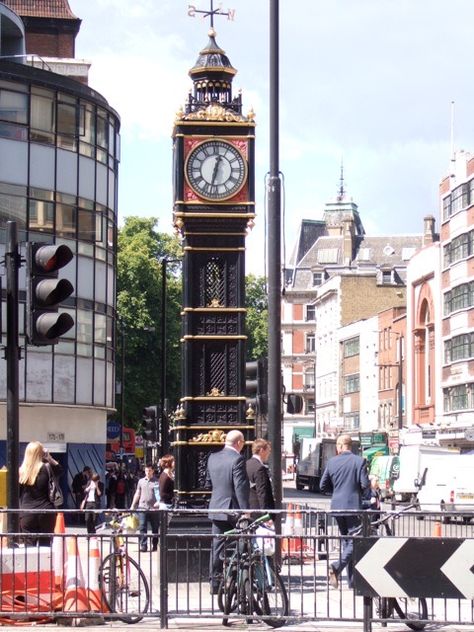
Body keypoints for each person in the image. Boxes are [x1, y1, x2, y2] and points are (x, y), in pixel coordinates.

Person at [320, 433, 370, 590]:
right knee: (355, 541)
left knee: (347, 542)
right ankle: (337, 566)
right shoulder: (359, 461)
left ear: (340, 446)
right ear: (351, 446)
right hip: (353, 507)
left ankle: (352, 581)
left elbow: (323, 485)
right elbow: (364, 484)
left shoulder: (332, 462)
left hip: (337, 507)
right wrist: (362, 495)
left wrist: (336, 492)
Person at [206, 429, 250, 595]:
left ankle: (215, 583)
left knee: (217, 547)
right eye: (243, 443)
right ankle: (238, 579)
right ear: (238, 443)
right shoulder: (237, 459)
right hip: (232, 510)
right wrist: (245, 511)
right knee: (243, 544)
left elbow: (208, 482)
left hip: (216, 508)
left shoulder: (212, 457)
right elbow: (240, 487)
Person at [19, 441, 63, 546]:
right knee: (46, 546)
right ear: (41, 453)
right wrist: (49, 457)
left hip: (27, 512)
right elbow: (60, 470)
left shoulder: (21, 471)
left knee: (29, 547)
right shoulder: (47, 468)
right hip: (46, 512)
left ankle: (31, 563)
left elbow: (17, 494)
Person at [130, 463, 159, 552]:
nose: (147, 472)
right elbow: (137, 493)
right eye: (146, 470)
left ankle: (154, 544)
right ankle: (143, 545)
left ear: (152, 471)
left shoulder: (156, 481)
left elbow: (158, 495)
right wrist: (132, 505)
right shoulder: (141, 481)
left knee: (155, 528)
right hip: (142, 507)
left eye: (149, 470)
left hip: (154, 509)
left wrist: (158, 503)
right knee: (142, 526)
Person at [246, 438, 275, 520]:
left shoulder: (247, 464)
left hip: (249, 507)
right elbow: (262, 492)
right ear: (262, 450)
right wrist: (265, 515)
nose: (269, 454)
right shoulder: (259, 468)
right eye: (268, 451)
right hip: (258, 510)